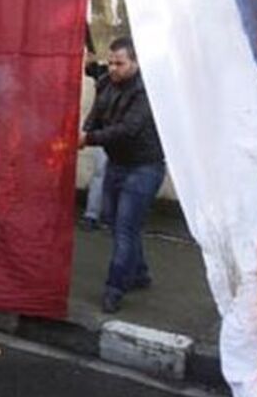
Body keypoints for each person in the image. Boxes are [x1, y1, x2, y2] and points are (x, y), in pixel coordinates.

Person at [79, 37, 166, 315]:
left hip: (144, 167)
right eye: (111, 62)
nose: (113, 68)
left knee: (125, 229)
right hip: (118, 163)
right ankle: (139, 273)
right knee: (117, 224)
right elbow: (96, 115)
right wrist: (84, 131)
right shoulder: (106, 82)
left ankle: (114, 289)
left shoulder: (145, 91)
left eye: (120, 63)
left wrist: (88, 138)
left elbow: (129, 129)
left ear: (135, 63)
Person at [80, 56, 110, 232]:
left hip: (118, 132)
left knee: (111, 174)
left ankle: (104, 215)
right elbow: (90, 67)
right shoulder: (103, 70)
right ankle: (92, 215)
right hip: (104, 130)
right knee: (101, 172)